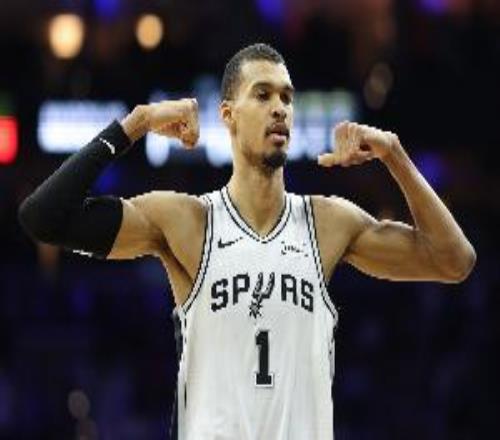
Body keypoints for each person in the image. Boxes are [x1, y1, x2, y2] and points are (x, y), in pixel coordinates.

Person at [18, 43, 476, 440]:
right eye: (263, 94)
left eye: (287, 97)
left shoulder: (328, 222)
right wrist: (136, 124)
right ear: (228, 115)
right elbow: (43, 217)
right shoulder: (188, 221)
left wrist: (395, 156)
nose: (280, 108)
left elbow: (454, 261)